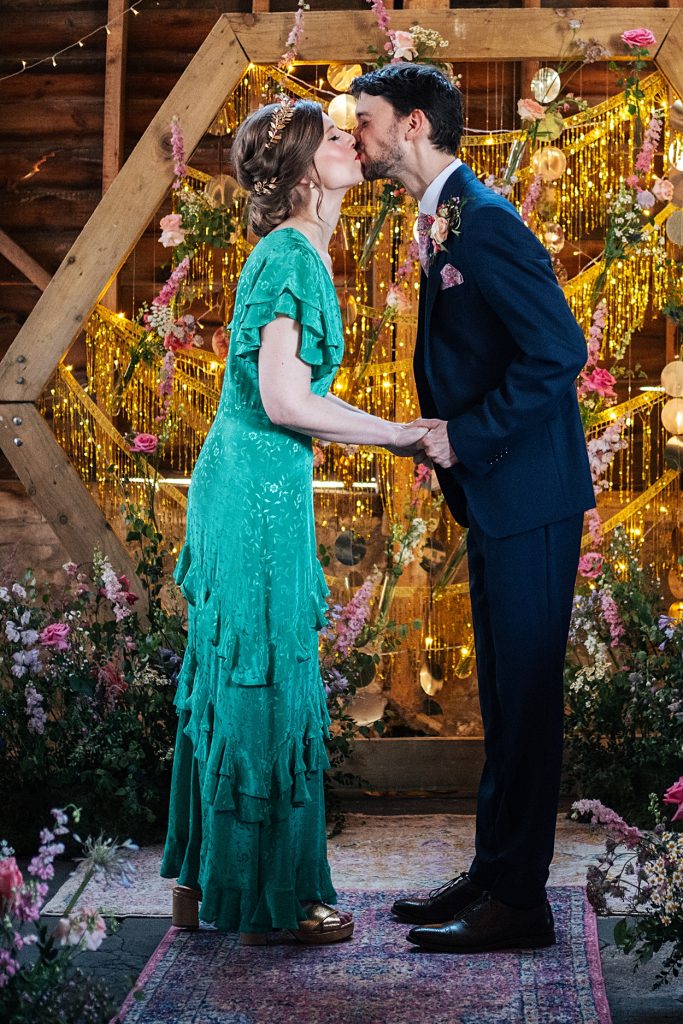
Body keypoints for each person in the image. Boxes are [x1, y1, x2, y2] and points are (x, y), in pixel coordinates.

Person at [160, 97, 427, 946]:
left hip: (251, 476)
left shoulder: (296, 248)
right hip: (254, 485)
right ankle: (276, 894)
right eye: (337, 138)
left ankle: (206, 886)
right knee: (264, 678)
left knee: (239, 672)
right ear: (309, 171)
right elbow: (282, 398)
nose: (354, 142)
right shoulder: (292, 253)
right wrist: (395, 434)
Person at [351, 63, 595, 953]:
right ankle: (496, 872)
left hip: (528, 494)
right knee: (502, 694)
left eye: (367, 121)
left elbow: (558, 351)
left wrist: (466, 433)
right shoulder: (444, 218)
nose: (358, 136)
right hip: (499, 496)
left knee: (525, 699)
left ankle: (520, 906)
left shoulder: (484, 222)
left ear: (412, 125)